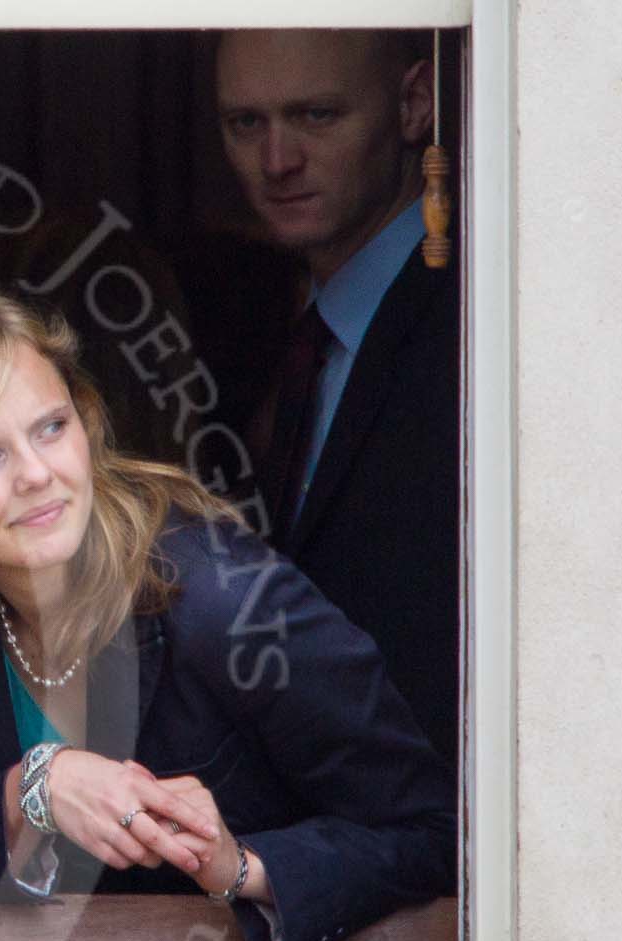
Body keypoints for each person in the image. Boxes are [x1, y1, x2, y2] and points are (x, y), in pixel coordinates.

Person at [0, 291, 455, 941]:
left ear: (86, 420)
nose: (36, 473)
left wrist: (242, 867)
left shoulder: (225, 604)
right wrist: (33, 790)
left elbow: (435, 831)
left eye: (52, 427)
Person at [214, 27, 459, 763]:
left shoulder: (481, 326)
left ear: (414, 104)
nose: (277, 161)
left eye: (317, 115)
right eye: (245, 123)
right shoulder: (270, 327)